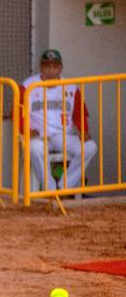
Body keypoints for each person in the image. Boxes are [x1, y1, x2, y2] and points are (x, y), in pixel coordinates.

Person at [21, 49, 97, 191]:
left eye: (55, 66)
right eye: (47, 66)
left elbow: (79, 113)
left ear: (60, 68)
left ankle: (64, 187)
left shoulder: (71, 87)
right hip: (38, 136)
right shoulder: (28, 85)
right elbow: (17, 113)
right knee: (35, 149)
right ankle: (50, 190)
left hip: (63, 136)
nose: (51, 70)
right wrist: (25, 130)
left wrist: (84, 130)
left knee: (90, 147)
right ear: (41, 67)